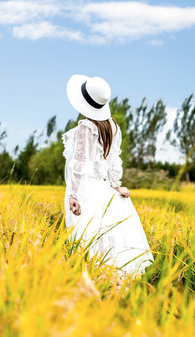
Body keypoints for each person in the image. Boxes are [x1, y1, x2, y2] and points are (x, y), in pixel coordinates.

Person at [63, 74, 155, 279]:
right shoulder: (112, 126)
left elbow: (78, 166)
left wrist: (73, 195)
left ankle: (94, 278)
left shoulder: (85, 128)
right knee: (105, 232)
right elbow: (113, 160)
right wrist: (115, 185)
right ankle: (111, 279)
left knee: (88, 233)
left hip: (85, 189)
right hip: (102, 188)